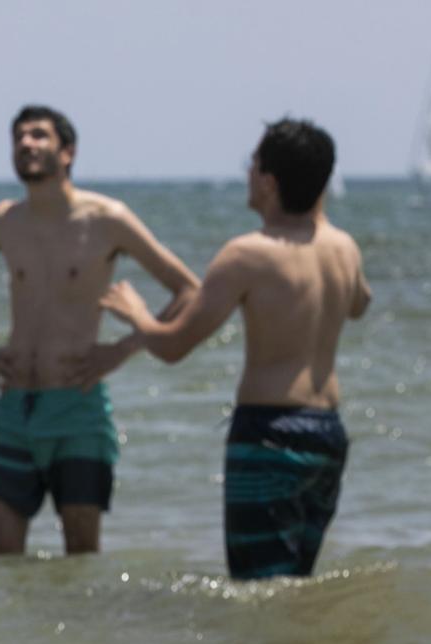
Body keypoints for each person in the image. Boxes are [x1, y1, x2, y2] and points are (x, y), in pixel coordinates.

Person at [101, 118, 370, 579]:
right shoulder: (343, 247)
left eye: (253, 165)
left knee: (260, 589)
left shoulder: (246, 254)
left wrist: (138, 315)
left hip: (270, 435)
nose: (247, 173)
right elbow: (359, 304)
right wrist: (316, 216)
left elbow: (174, 346)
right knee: (295, 583)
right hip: (327, 433)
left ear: (268, 181)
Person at [0, 105, 197, 556]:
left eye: (38, 135)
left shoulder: (107, 219)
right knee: (0, 558)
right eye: (18, 137)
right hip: (15, 410)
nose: (26, 144)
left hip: (78, 409)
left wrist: (122, 350)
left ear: (68, 151)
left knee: (81, 557)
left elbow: (189, 290)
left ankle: (79, 629)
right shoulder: (5, 221)